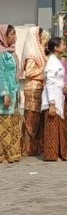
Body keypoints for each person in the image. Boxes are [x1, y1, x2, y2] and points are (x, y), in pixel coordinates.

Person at [21, 26, 49, 156]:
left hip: (39, 88)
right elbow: (30, 72)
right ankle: (27, 148)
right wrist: (43, 71)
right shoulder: (32, 54)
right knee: (31, 118)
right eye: (39, 35)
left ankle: (34, 146)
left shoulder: (39, 51)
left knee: (37, 119)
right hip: (32, 89)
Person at [41, 37, 67, 162]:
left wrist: (63, 86)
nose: (64, 46)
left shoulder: (56, 61)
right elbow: (50, 82)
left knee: (57, 126)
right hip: (52, 99)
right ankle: (51, 154)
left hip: (58, 96)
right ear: (56, 48)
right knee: (52, 127)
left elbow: (57, 80)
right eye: (62, 44)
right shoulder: (52, 62)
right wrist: (52, 103)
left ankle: (58, 153)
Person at [0, 25, 21, 163]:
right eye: (11, 34)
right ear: (3, 36)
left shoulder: (11, 52)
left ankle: (12, 153)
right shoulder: (1, 54)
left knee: (12, 123)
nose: (14, 37)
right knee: (4, 124)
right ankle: (3, 154)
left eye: (15, 34)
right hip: (5, 93)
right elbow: (1, 74)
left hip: (14, 91)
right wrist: (5, 93)